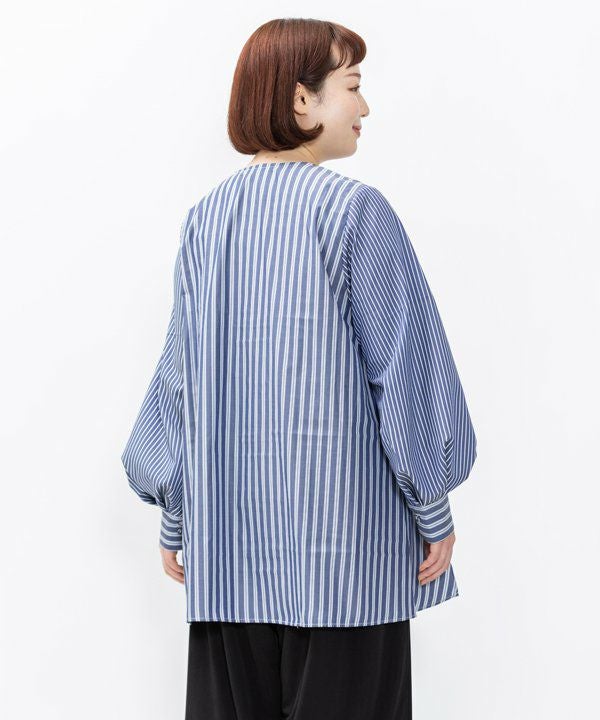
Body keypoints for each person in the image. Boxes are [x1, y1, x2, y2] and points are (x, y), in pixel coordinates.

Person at [121, 17, 477, 720]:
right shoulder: (355, 213)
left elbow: (179, 379)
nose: (366, 105)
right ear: (300, 99)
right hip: (348, 568)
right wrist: (432, 505)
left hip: (228, 565)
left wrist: (177, 515)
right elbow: (404, 370)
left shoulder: (207, 220)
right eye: (353, 86)